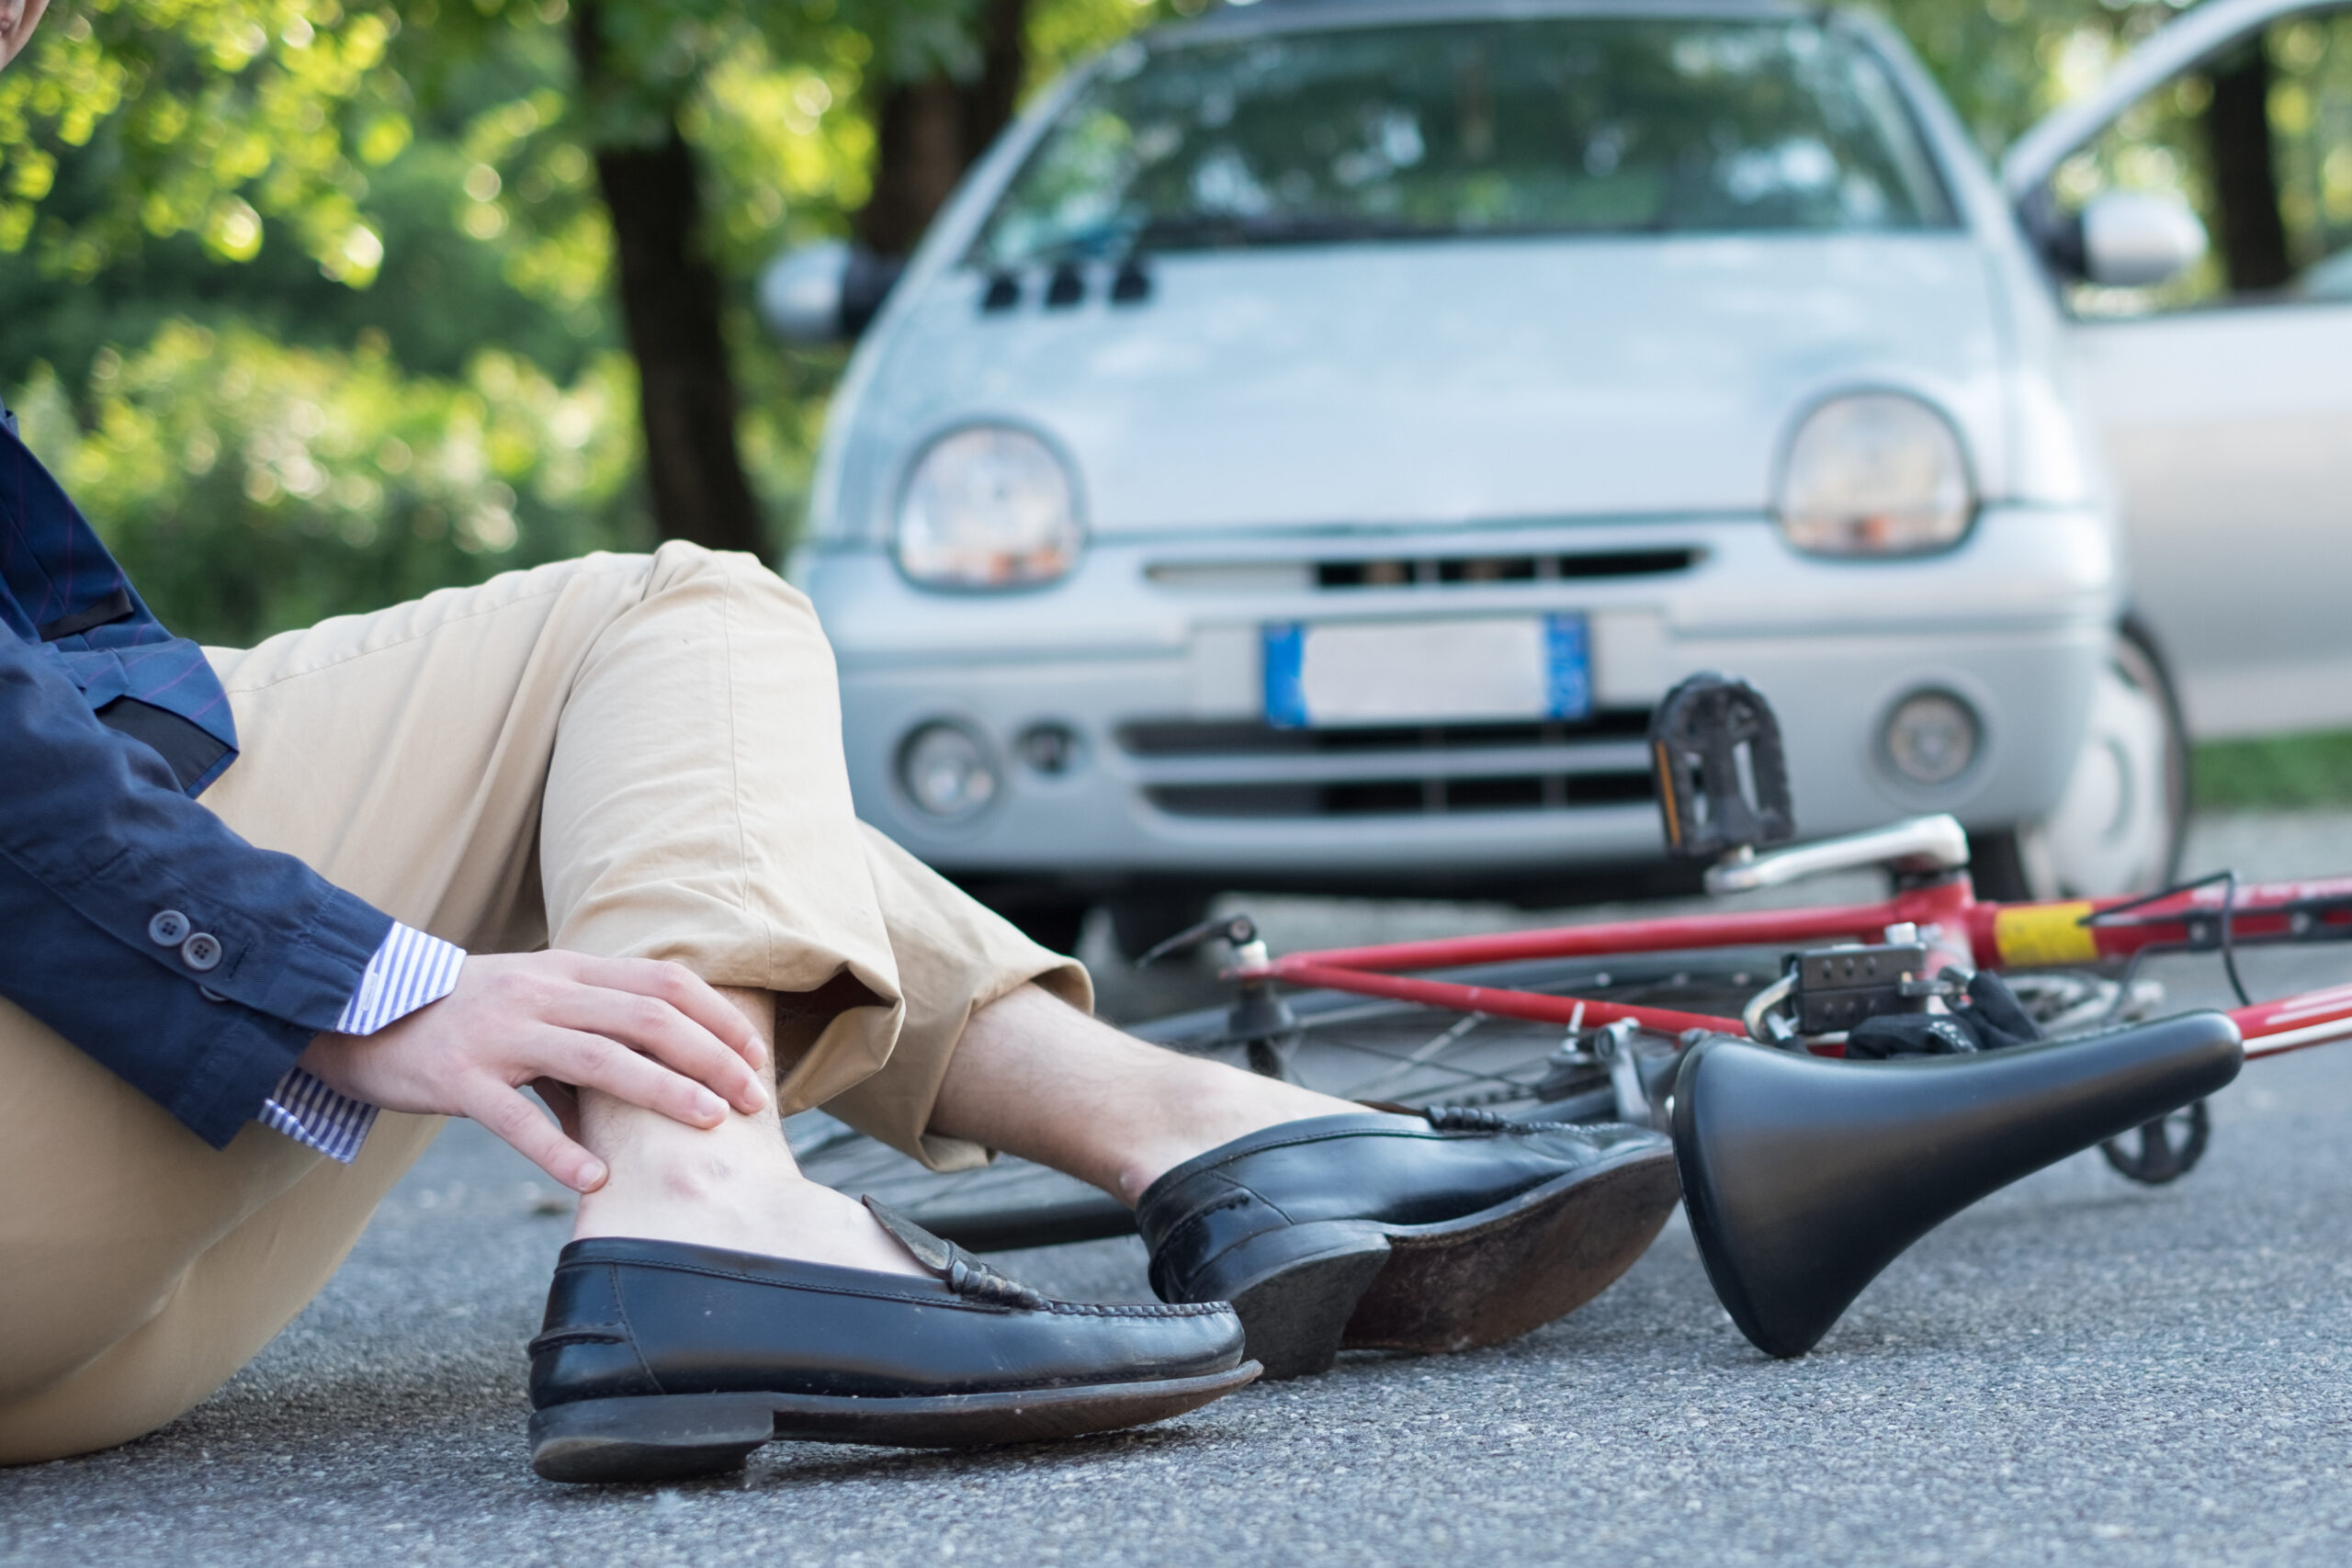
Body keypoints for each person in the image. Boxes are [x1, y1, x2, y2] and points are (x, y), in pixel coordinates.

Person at [0, 0, 1680, 1483]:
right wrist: (358, 984)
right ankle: (711, 1210)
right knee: (662, 621)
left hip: (71, 1357)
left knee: (639, 813)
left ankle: (1206, 1135)